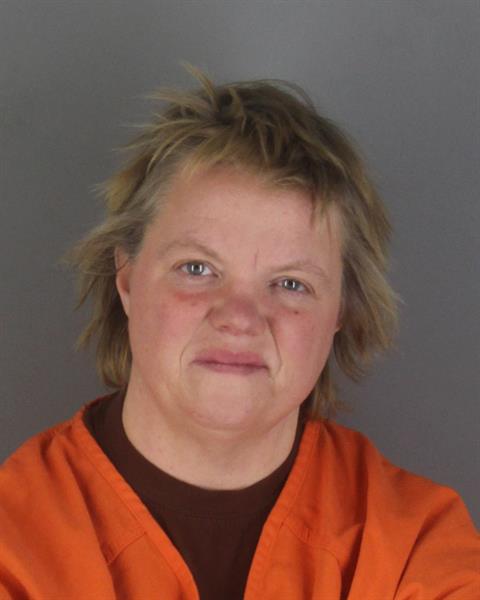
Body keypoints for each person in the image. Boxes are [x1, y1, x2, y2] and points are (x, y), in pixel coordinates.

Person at [0, 68, 478, 600]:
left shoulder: (417, 546)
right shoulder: (12, 542)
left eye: (291, 283)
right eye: (197, 268)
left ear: (342, 308)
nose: (240, 318)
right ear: (128, 279)